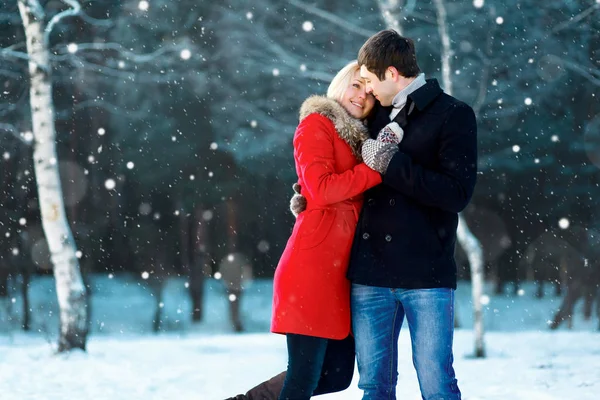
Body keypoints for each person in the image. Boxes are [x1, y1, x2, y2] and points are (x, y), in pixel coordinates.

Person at [225, 60, 382, 400]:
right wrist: (377, 171)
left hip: (344, 274)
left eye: (370, 92)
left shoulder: (359, 139)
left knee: (336, 377)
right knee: (304, 376)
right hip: (314, 268)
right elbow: (322, 189)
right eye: (356, 85)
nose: (362, 96)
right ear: (340, 84)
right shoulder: (317, 124)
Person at [346, 29, 478, 400]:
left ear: (391, 73)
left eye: (370, 80)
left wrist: (392, 165)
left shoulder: (454, 114)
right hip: (369, 273)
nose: (366, 90)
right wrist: (308, 196)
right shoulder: (371, 115)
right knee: (374, 386)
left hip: (426, 273)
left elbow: (456, 194)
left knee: (436, 385)